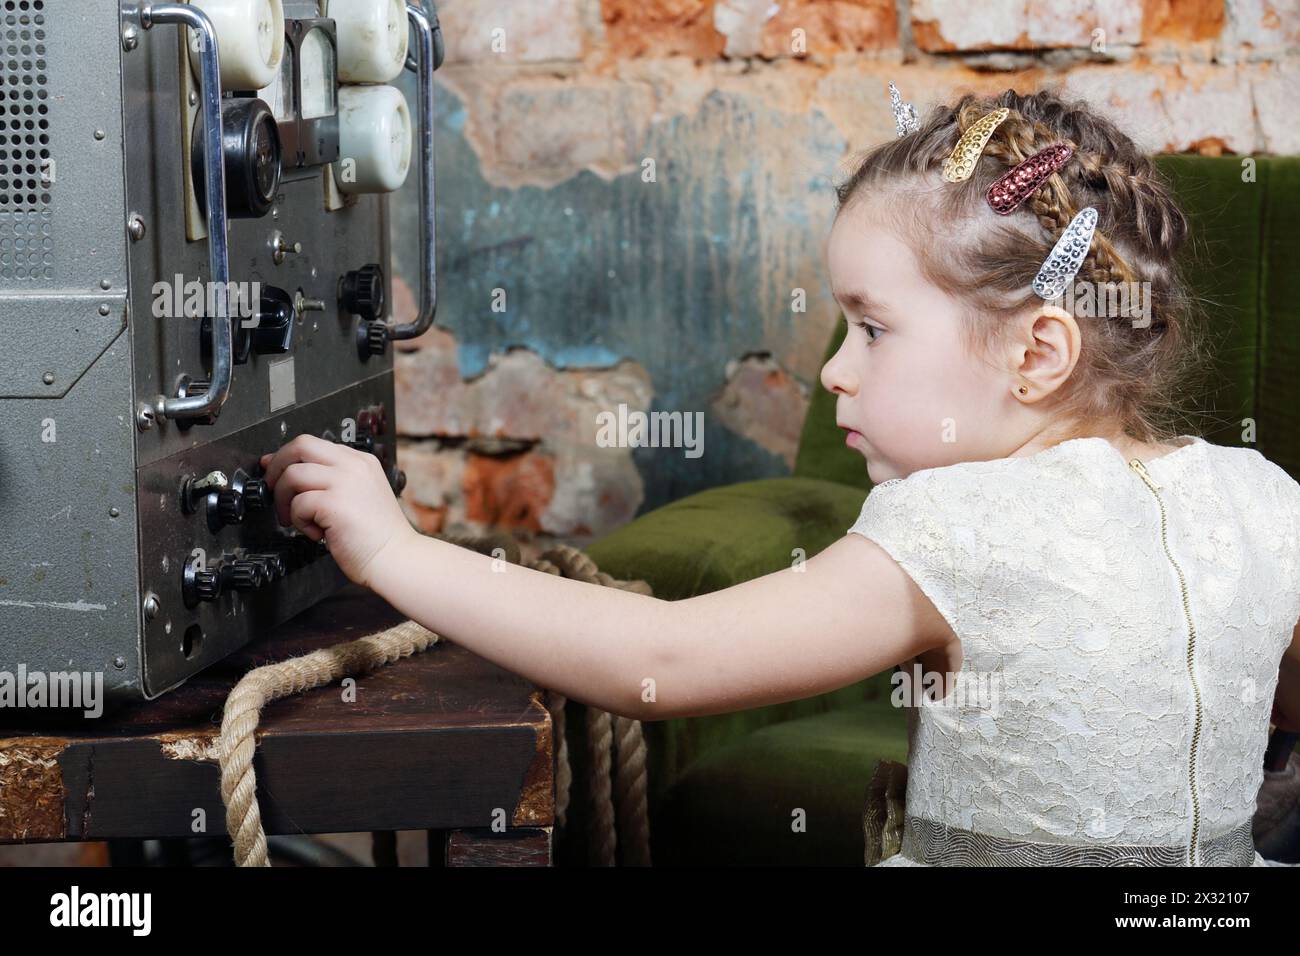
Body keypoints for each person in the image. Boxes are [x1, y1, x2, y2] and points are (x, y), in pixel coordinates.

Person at [260, 88, 1300, 867]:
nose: (835, 371)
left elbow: (658, 657)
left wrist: (397, 548)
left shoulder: (959, 525)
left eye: (871, 328)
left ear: (1037, 353)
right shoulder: (1260, 498)